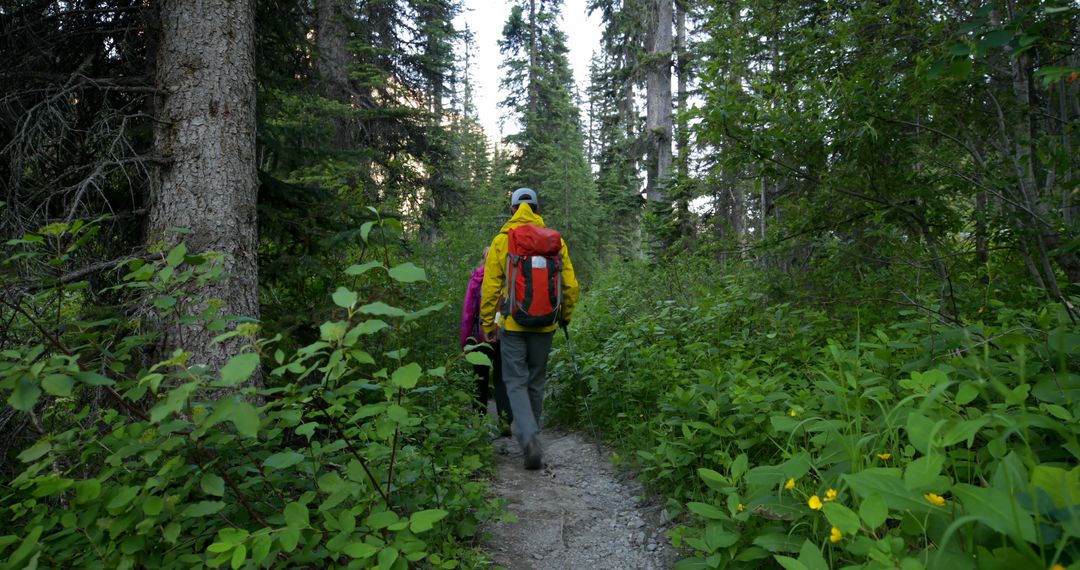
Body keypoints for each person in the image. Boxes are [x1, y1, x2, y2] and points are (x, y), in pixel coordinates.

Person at [479, 188, 579, 469]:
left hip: (513, 323)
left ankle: (528, 437)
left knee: (515, 381)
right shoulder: (555, 242)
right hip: (545, 325)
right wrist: (565, 316)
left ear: (512, 210)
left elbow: (490, 288)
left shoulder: (502, 241)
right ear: (536, 208)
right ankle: (532, 433)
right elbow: (571, 286)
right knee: (536, 381)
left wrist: (488, 323)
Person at [460, 247, 512, 429]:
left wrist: (465, 341)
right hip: (505, 335)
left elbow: (468, 313)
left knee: (480, 378)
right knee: (503, 378)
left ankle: (479, 422)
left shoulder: (477, 279)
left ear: (483, 260)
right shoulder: (509, 279)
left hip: (480, 337)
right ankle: (505, 423)